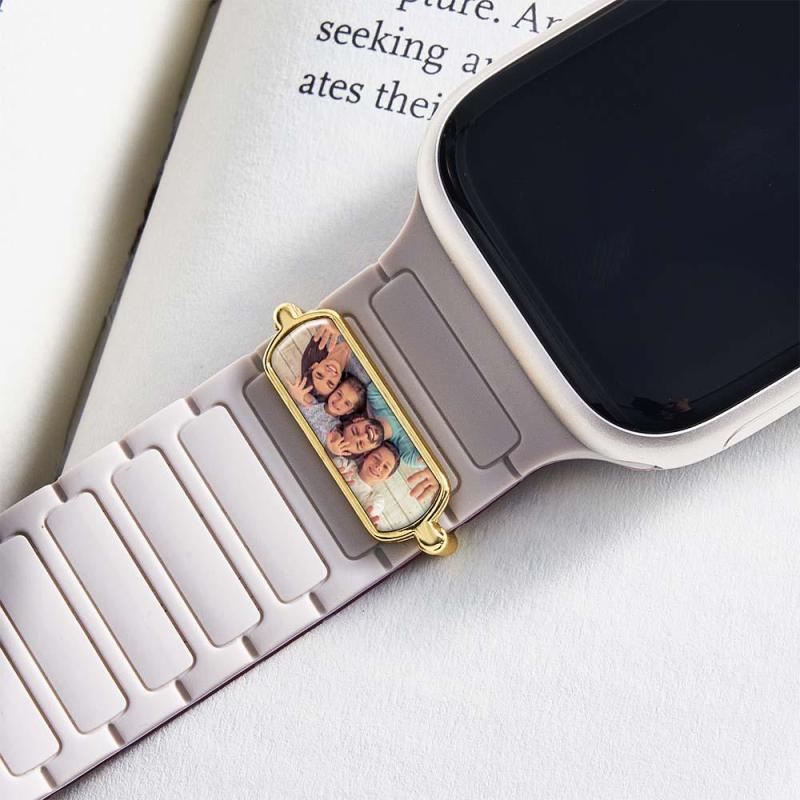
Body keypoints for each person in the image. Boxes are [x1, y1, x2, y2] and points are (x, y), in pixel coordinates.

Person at [334, 442, 400, 530]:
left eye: (385, 467)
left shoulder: (376, 499)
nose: (379, 466)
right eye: (376, 458)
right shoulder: (345, 464)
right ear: (366, 454)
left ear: (387, 477)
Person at [288, 372, 366, 443]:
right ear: (334, 389)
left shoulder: (335, 428)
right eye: (339, 394)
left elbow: (336, 443)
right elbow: (296, 390)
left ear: (349, 411)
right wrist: (295, 393)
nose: (339, 402)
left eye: (347, 403)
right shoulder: (312, 403)